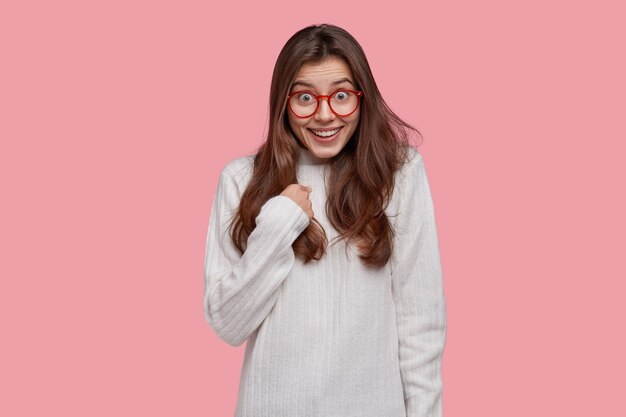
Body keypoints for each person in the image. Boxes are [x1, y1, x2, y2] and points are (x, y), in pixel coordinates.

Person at [203, 23, 447, 417]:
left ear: (361, 97)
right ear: (283, 102)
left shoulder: (399, 174)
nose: (324, 114)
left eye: (340, 95)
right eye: (304, 97)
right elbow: (229, 325)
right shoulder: (240, 180)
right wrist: (278, 225)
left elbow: (421, 324)